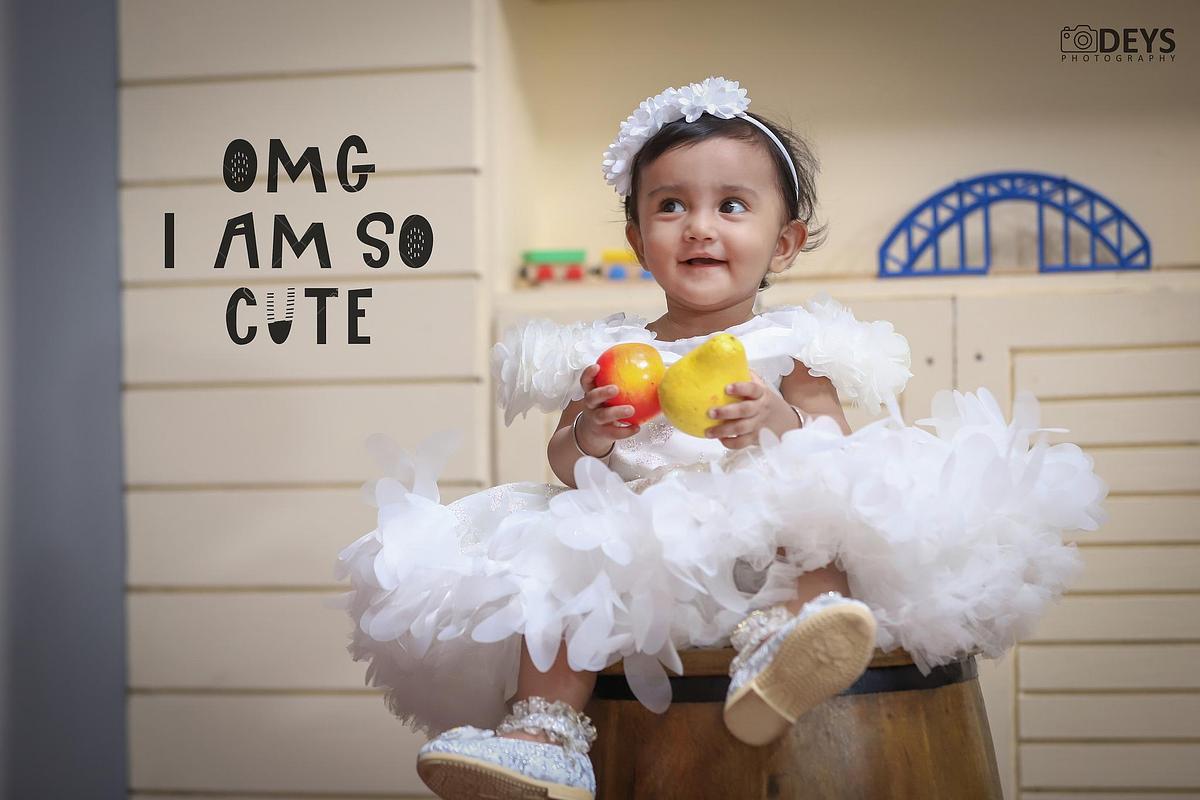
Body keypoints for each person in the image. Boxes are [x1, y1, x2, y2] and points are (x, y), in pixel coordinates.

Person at [334, 77, 1108, 800]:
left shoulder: (790, 345)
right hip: (641, 545)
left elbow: (834, 443)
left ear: (784, 243)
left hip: (752, 544)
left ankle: (795, 639)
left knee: (817, 497)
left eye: (732, 205)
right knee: (558, 558)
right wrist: (591, 432)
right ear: (639, 238)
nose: (699, 226)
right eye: (671, 206)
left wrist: (776, 420)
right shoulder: (611, 352)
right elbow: (564, 463)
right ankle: (546, 734)